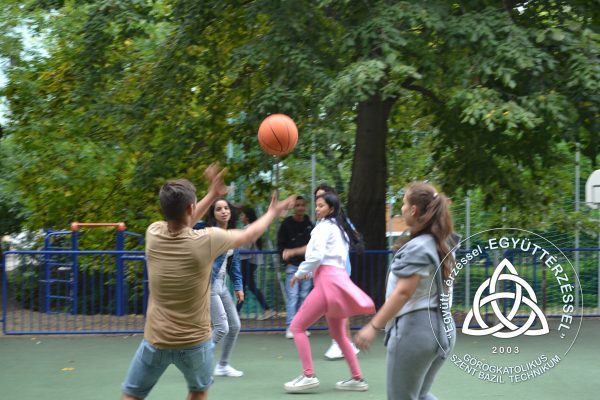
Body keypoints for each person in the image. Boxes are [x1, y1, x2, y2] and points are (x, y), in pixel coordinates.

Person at [120, 164, 295, 400]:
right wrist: (272, 212)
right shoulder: (207, 241)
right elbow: (248, 235)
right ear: (191, 208)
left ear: (164, 209)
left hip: (156, 341)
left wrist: (212, 194)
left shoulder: (154, 233)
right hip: (194, 344)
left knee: (132, 395)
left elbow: (183, 219)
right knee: (198, 392)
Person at [354, 182, 456, 400]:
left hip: (416, 332)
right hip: (442, 330)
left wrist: (373, 326)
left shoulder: (420, 247)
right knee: (419, 395)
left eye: (403, 203)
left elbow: (403, 293)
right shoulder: (439, 244)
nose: (401, 208)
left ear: (413, 210)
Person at [284, 192, 375, 393]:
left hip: (327, 284)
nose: (317, 209)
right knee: (339, 334)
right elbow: (331, 261)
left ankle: (308, 375)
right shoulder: (338, 229)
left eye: (321, 206)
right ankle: (357, 378)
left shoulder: (323, 227)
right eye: (316, 205)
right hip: (337, 281)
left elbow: (317, 257)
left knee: (297, 327)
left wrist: (300, 273)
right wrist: (310, 274)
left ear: (331, 209)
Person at [205, 198, 244, 377]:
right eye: (218, 209)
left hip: (222, 286)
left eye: (226, 208)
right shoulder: (209, 234)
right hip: (209, 286)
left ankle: (222, 365)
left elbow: (234, 263)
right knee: (222, 327)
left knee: (235, 325)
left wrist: (238, 286)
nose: (223, 211)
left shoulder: (233, 236)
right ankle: (200, 358)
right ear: (213, 214)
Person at [277, 196, 314, 339]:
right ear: (294, 208)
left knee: (304, 297)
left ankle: (302, 326)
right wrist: (287, 262)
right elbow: (280, 245)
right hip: (292, 267)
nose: (300, 207)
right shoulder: (286, 224)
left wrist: (309, 264)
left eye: (302, 205)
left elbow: (313, 246)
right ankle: (291, 326)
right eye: (297, 205)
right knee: (293, 296)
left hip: (306, 266)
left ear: (305, 207)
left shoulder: (309, 224)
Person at [236, 206, 275, 320]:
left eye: (242, 215)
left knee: (245, 286)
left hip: (248, 260)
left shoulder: (249, 228)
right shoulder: (250, 227)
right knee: (248, 286)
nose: (241, 217)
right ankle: (266, 309)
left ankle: (266, 309)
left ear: (247, 217)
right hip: (249, 260)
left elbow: (245, 246)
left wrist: (234, 246)